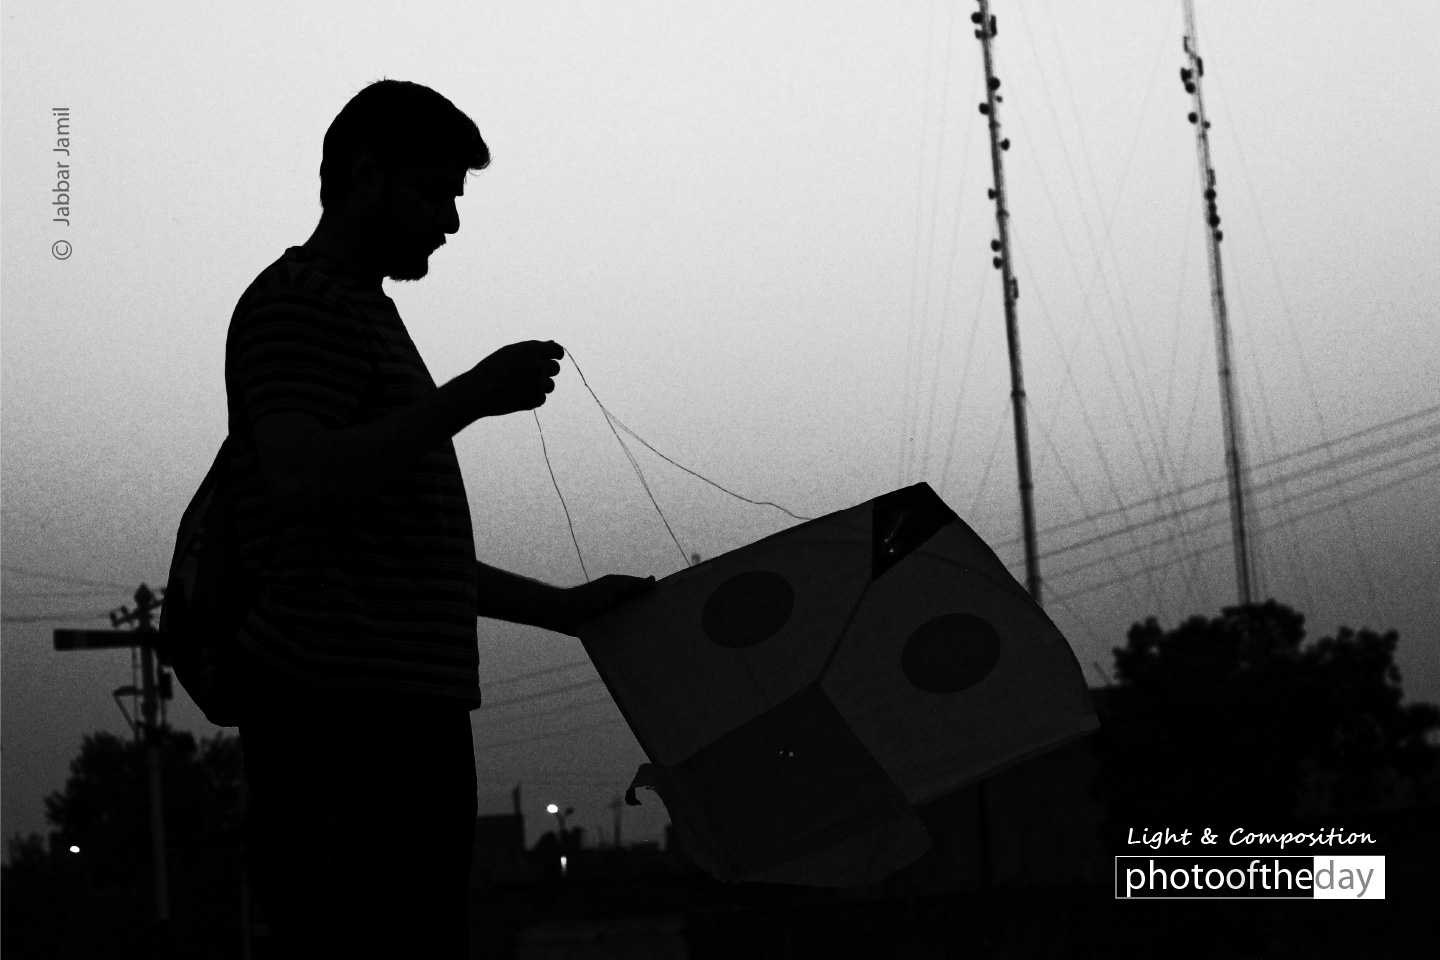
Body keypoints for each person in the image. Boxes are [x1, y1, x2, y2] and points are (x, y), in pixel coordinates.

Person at [225, 79, 652, 959]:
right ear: (365, 174)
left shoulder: (364, 313)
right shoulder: (300, 301)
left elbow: (403, 555)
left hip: (403, 717)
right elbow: (300, 476)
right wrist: (471, 396)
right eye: (437, 191)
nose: (450, 222)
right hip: (343, 713)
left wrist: (564, 610)